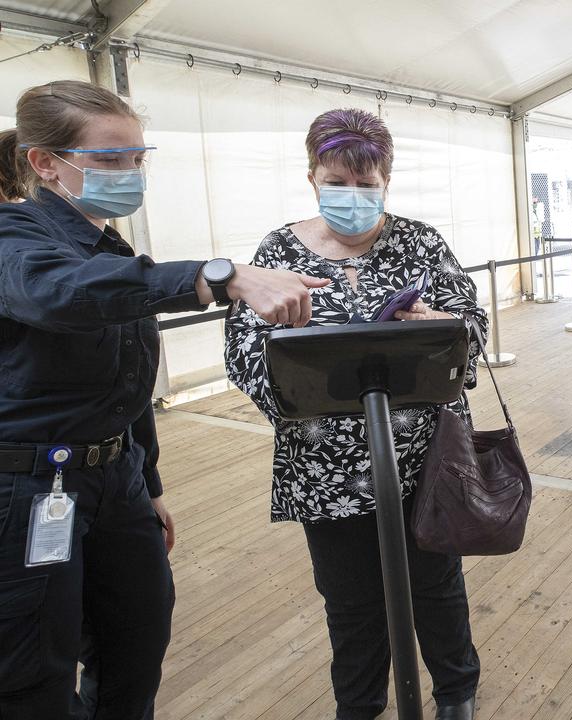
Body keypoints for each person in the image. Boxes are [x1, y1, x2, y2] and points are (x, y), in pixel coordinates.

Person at [0, 80, 322, 720]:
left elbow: (125, 380)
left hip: (113, 479)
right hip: (32, 483)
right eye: (110, 160)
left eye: (138, 159)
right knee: (34, 674)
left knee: (136, 644)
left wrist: (145, 481)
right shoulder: (18, 238)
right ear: (46, 162)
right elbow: (62, 294)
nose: (130, 174)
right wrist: (213, 275)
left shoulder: (110, 248)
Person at [224, 108, 484, 720]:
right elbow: (242, 351)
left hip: (423, 454)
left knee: (436, 584)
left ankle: (456, 692)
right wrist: (291, 379)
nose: (353, 196)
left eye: (367, 185)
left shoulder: (421, 241)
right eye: (338, 182)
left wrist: (440, 329)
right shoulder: (278, 250)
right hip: (324, 463)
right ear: (312, 177)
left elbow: (471, 328)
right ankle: (360, 703)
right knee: (349, 597)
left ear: (386, 181)